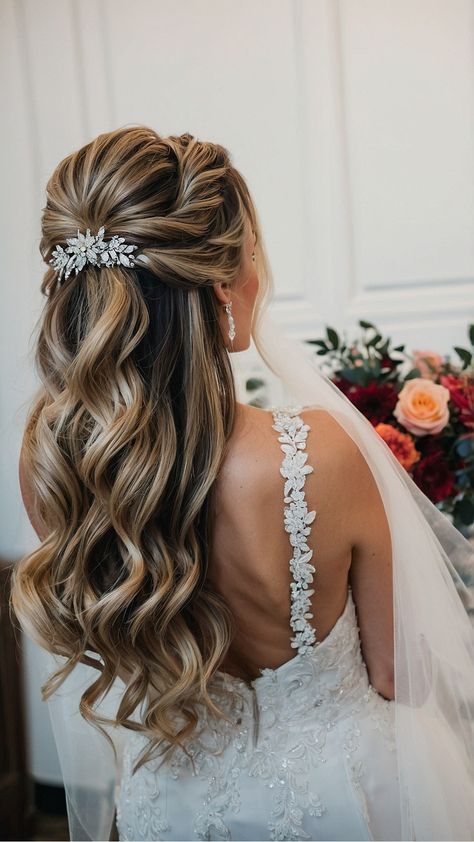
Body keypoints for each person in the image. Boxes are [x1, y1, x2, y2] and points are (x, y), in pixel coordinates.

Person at [11, 125, 474, 842]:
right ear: (223, 281)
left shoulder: (52, 466)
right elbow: (398, 674)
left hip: (171, 809)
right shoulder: (321, 451)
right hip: (342, 802)